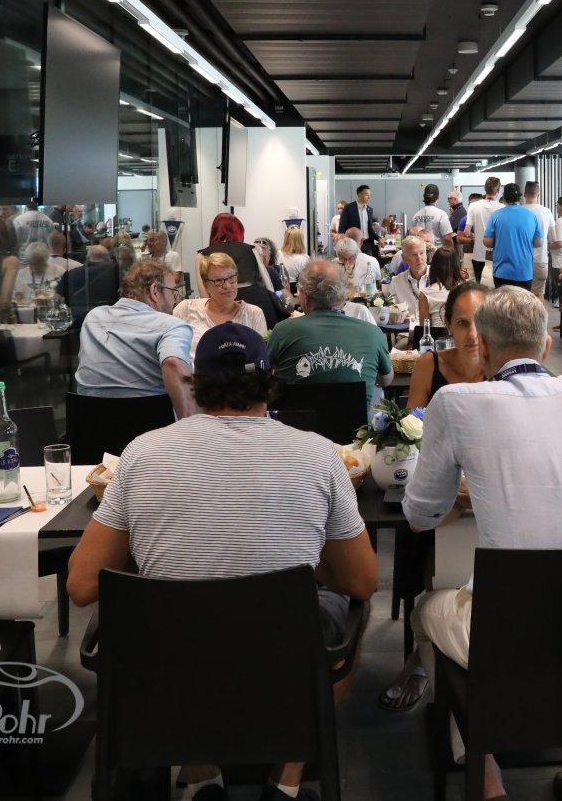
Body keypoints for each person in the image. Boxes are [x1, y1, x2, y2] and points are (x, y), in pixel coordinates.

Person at [68, 323, 377, 801]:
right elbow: (362, 583)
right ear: (270, 380)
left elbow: (82, 585)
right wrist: (307, 561)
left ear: (196, 384)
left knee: (160, 613)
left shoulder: (142, 453)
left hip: (168, 661)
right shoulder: (319, 455)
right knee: (351, 617)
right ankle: (287, 777)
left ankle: (200, 773)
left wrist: (156, 555)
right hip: (282, 660)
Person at [395, 286, 562, 794]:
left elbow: (420, 514)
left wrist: (470, 492)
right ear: (546, 346)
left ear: (485, 351)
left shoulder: (456, 401)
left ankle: (487, 774)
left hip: (505, 633)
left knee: (426, 612)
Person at [267, 259, 394, 411]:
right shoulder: (372, 333)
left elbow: (266, 373)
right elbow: (386, 380)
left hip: (296, 425)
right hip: (354, 426)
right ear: (342, 296)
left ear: (304, 296)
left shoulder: (283, 331)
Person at [75, 259, 195, 418]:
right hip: (151, 428)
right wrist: (190, 425)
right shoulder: (172, 326)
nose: (175, 300)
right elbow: (173, 363)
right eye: (173, 292)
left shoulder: (93, 318)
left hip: (88, 425)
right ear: (154, 291)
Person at [406, 281, 488, 408]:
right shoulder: (428, 366)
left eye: (480, 321)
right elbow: (411, 418)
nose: (472, 335)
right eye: (462, 323)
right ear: (449, 325)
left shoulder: (504, 369)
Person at [173, 250, 268, 357]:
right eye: (218, 280)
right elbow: (174, 354)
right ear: (206, 286)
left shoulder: (253, 314)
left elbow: (261, 359)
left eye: (231, 278)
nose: (227, 286)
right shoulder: (186, 309)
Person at [198, 212, 284, 327]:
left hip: (224, 305)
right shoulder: (252, 249)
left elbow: (204, 293)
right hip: (260, 301)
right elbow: (266, 281)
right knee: (264, 337)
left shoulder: (203, 254)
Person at [481, 182, 542, 291]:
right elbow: (539, 242)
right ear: (520, 197)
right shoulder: (531, 216)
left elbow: (488, 242)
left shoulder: (496, 215)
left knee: (502, 301)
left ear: (504, 197)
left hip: (501, 271)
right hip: (524, 271)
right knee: (522, 301)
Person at [387, 236, 432, 325]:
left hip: (434, 329)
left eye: (422, 253)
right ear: (404, 258)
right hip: (406, 330)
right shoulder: (396, 282)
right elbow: (391, 313)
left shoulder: (439, 277)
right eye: (414, 255)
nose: (419, 258)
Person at [417, 247, 466, 329]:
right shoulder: (467, 290)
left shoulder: (426, 294)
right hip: (462, 335)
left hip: (437, 336)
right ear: (457, 265)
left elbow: (424, 329)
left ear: (433, 267)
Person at [464, 178, 502, 281]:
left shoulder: (473, 206)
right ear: (498, 191)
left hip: (478, 254)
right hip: (497, 256)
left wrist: (475, 236)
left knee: (479, 285)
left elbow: (466, 232)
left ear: (484, 189)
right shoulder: (502, 208)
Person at [523, 181, 556, 298]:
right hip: (541, 260)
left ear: (524, 194)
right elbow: (553, 238)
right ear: (539, 195)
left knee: (522, 295)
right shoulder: (547, 212)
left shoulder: (520, 211)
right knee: (539, 295)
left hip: (522, 261)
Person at [337, 185, 379, 258]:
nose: (369, 197)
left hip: (367, 244)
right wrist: (343, 243)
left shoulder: (369, 210)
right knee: (353, 262)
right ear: (359, 194)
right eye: (366, 194)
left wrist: (378, 238)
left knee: (367, 263)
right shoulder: (348, 208)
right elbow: (342, 227)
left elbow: (369, 229)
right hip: (353, 243)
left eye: (369, 195)